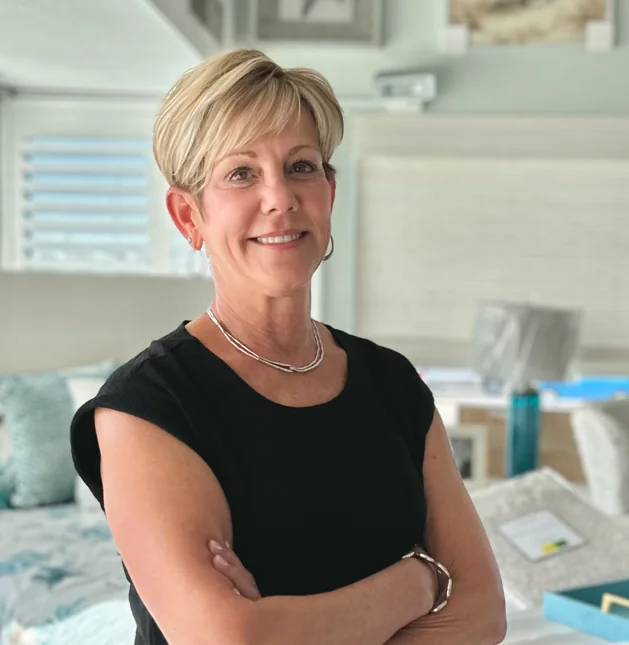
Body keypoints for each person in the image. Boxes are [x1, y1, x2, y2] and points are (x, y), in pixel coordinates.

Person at [70, 48, 506, 645]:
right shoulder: (147, 406)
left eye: (300, 166)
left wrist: (283, 627)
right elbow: (228, 640)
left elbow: (483, 617)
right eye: (241, 173)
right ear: (188, 215)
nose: (279, 197)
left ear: (329, 190)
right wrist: (419, 582)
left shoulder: (393, 383)